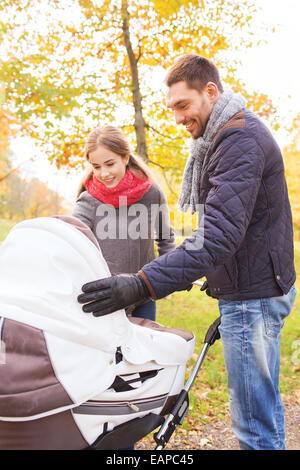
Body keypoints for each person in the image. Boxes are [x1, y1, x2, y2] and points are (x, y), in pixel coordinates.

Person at [77, 55, 297, 450]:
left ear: (210, 92)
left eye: (183, 105)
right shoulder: (226, 137)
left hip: (254, 298)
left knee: (253, 422)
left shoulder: (238, 141)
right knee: (261, 409)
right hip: (253, 290)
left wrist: (142, 284)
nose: (178, 117)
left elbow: (216, 237)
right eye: (172, 107)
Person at [72, 125, 175, 322]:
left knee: (142, 350)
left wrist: (167, 278)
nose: (104, 173)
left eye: (110, 164)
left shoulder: (151, 193)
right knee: (109, 352)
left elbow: (164, 236)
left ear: (125, 158)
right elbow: (72, 239)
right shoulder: (89, 200)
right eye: (96, 166)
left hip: (143, 294)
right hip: (105, 297)